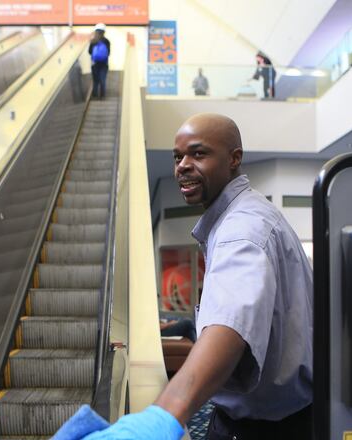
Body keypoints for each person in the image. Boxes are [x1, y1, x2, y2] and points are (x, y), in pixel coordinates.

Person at [62, 113, 313, 439]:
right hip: (268, 418)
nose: (182, 165)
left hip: (269, 429)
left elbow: (229, 325)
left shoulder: (242, 230)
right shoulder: (244, 217)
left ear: (234, 158)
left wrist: (160, 416)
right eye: (177, 157)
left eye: (198, 153)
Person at [89, 23, 110, 99]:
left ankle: (94, 95)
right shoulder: (106, 41)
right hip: (104, 64)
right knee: (103, 79)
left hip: (94, 64)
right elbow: (108, 53)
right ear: (104, 32)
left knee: (95, 80)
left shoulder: (93, 41)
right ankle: (102, 95)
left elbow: (90, 52)